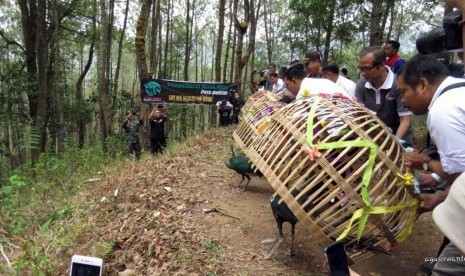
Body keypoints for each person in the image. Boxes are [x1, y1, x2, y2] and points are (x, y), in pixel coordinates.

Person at [397, 55, 465, 275]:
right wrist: (436, 182)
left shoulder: (443, 110)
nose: (403, 102)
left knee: (447, 269)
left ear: (423, 84)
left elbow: (460, 175)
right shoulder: (458, 92)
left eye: (404, 92)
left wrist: (425, 163)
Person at [355, 46, 414, 147]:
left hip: (399, 137)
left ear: (382, 65)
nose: (363, 73)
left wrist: (395, 144)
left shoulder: (397, 84)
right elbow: (359, 115)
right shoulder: (361, 85)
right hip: (375, 138)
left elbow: (405, 120)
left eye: (367, 68)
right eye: (361, 69)